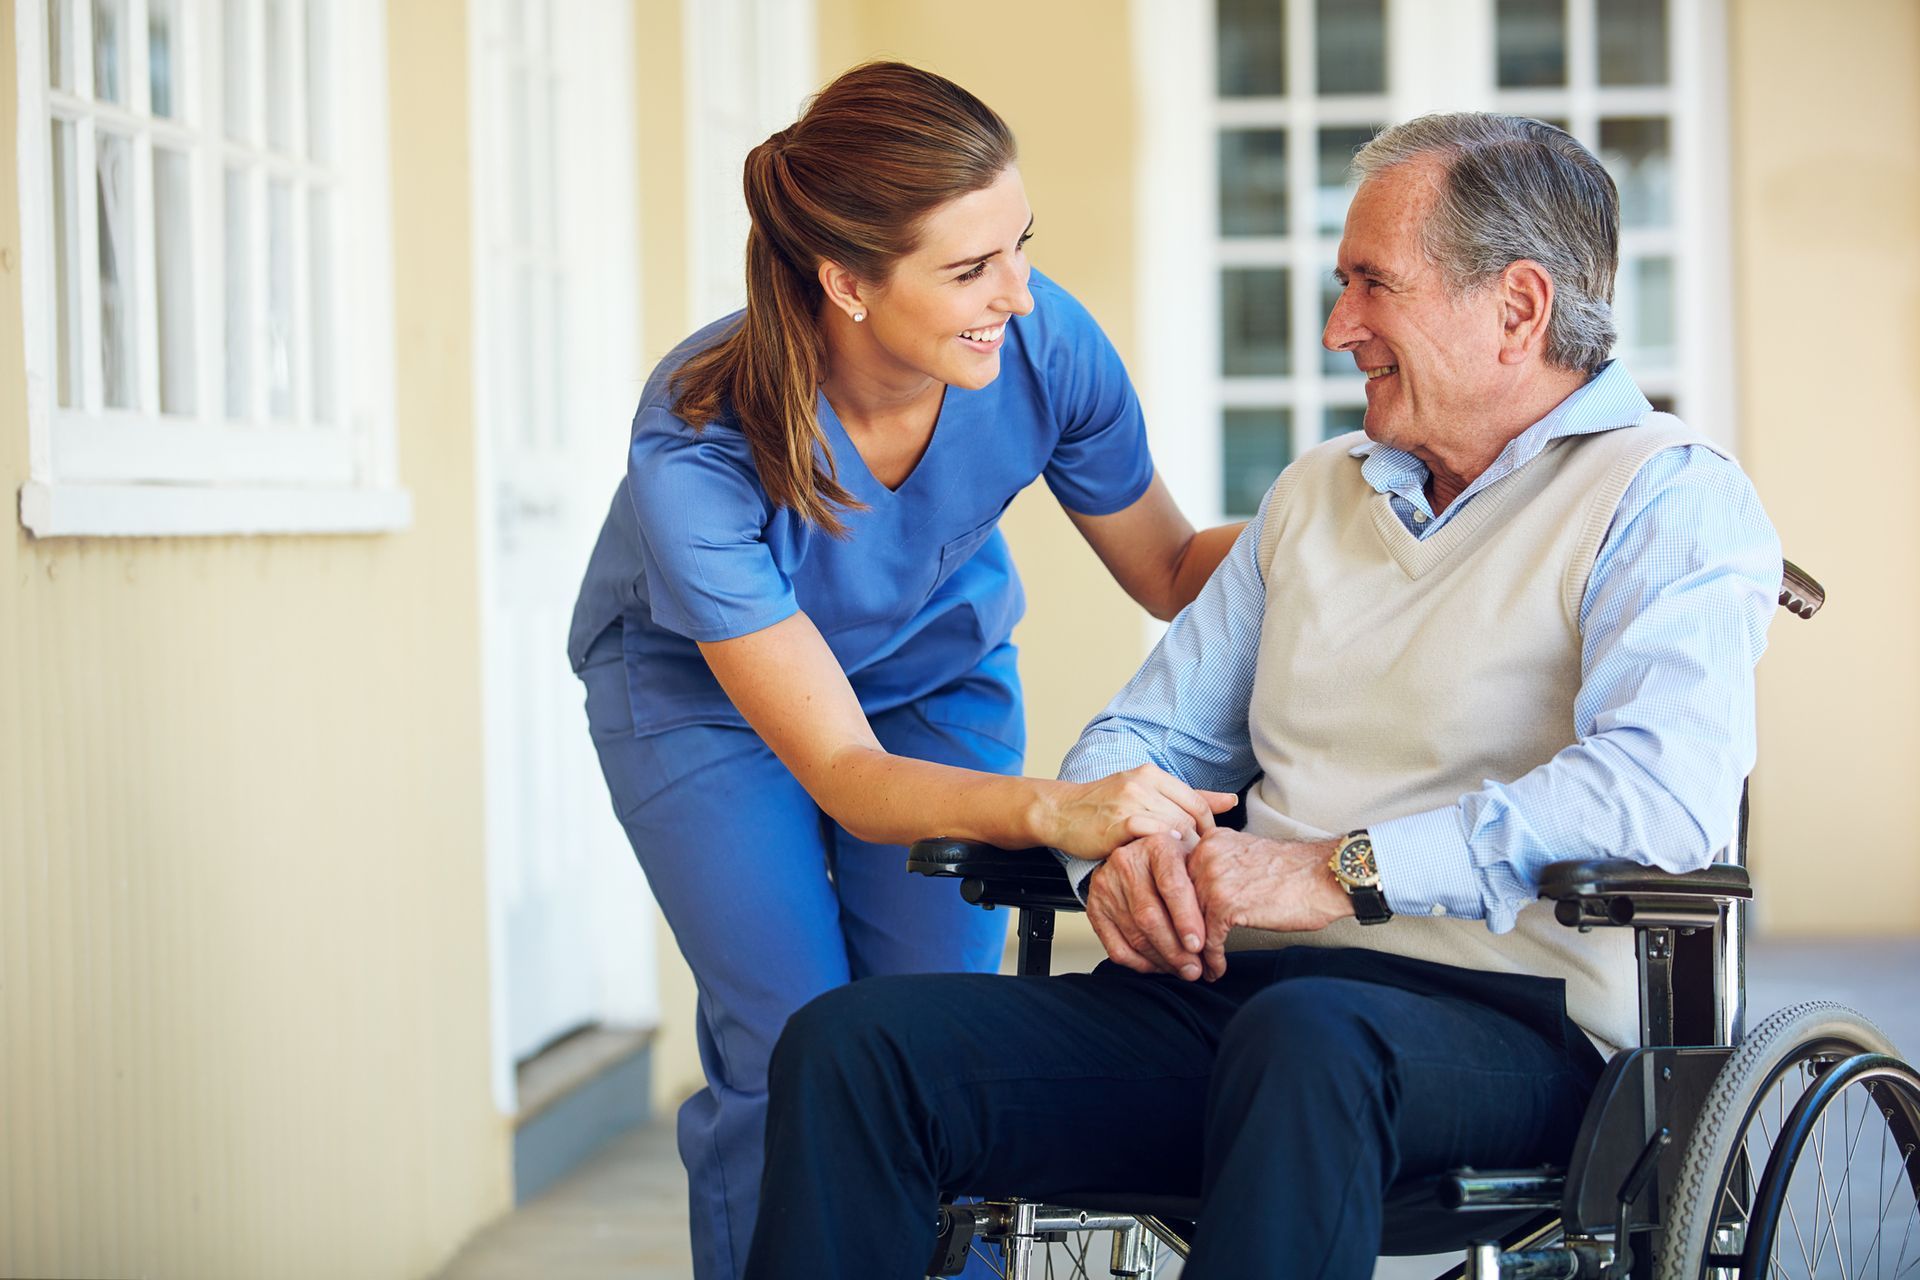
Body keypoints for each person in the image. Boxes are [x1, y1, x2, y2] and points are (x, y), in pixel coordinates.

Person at [743, 113, 1783, 1279]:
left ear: (1519, 309)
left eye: (1373, 286)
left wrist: (1341, 866)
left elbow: (1658, 794)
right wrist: (1118, 855)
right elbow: (1146, 731)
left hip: (1514, 1025)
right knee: (853, 1045)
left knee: (1309, 1038)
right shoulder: (1316, 495)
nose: (1341, 327)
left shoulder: (1666, 496)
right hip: (1240, 1001)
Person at [567, 62, 1242, 1280]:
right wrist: (1055, 805)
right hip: (701, 702)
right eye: (971, 269)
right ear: (846, 282)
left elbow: (1176, 567)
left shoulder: (1046, 348)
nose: (1019, 295)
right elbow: (840, 768)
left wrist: (1362, 519)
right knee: (794, 1040)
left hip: (932, 675)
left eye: (1019, 246)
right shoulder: (701, 438)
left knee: (938, 1044)